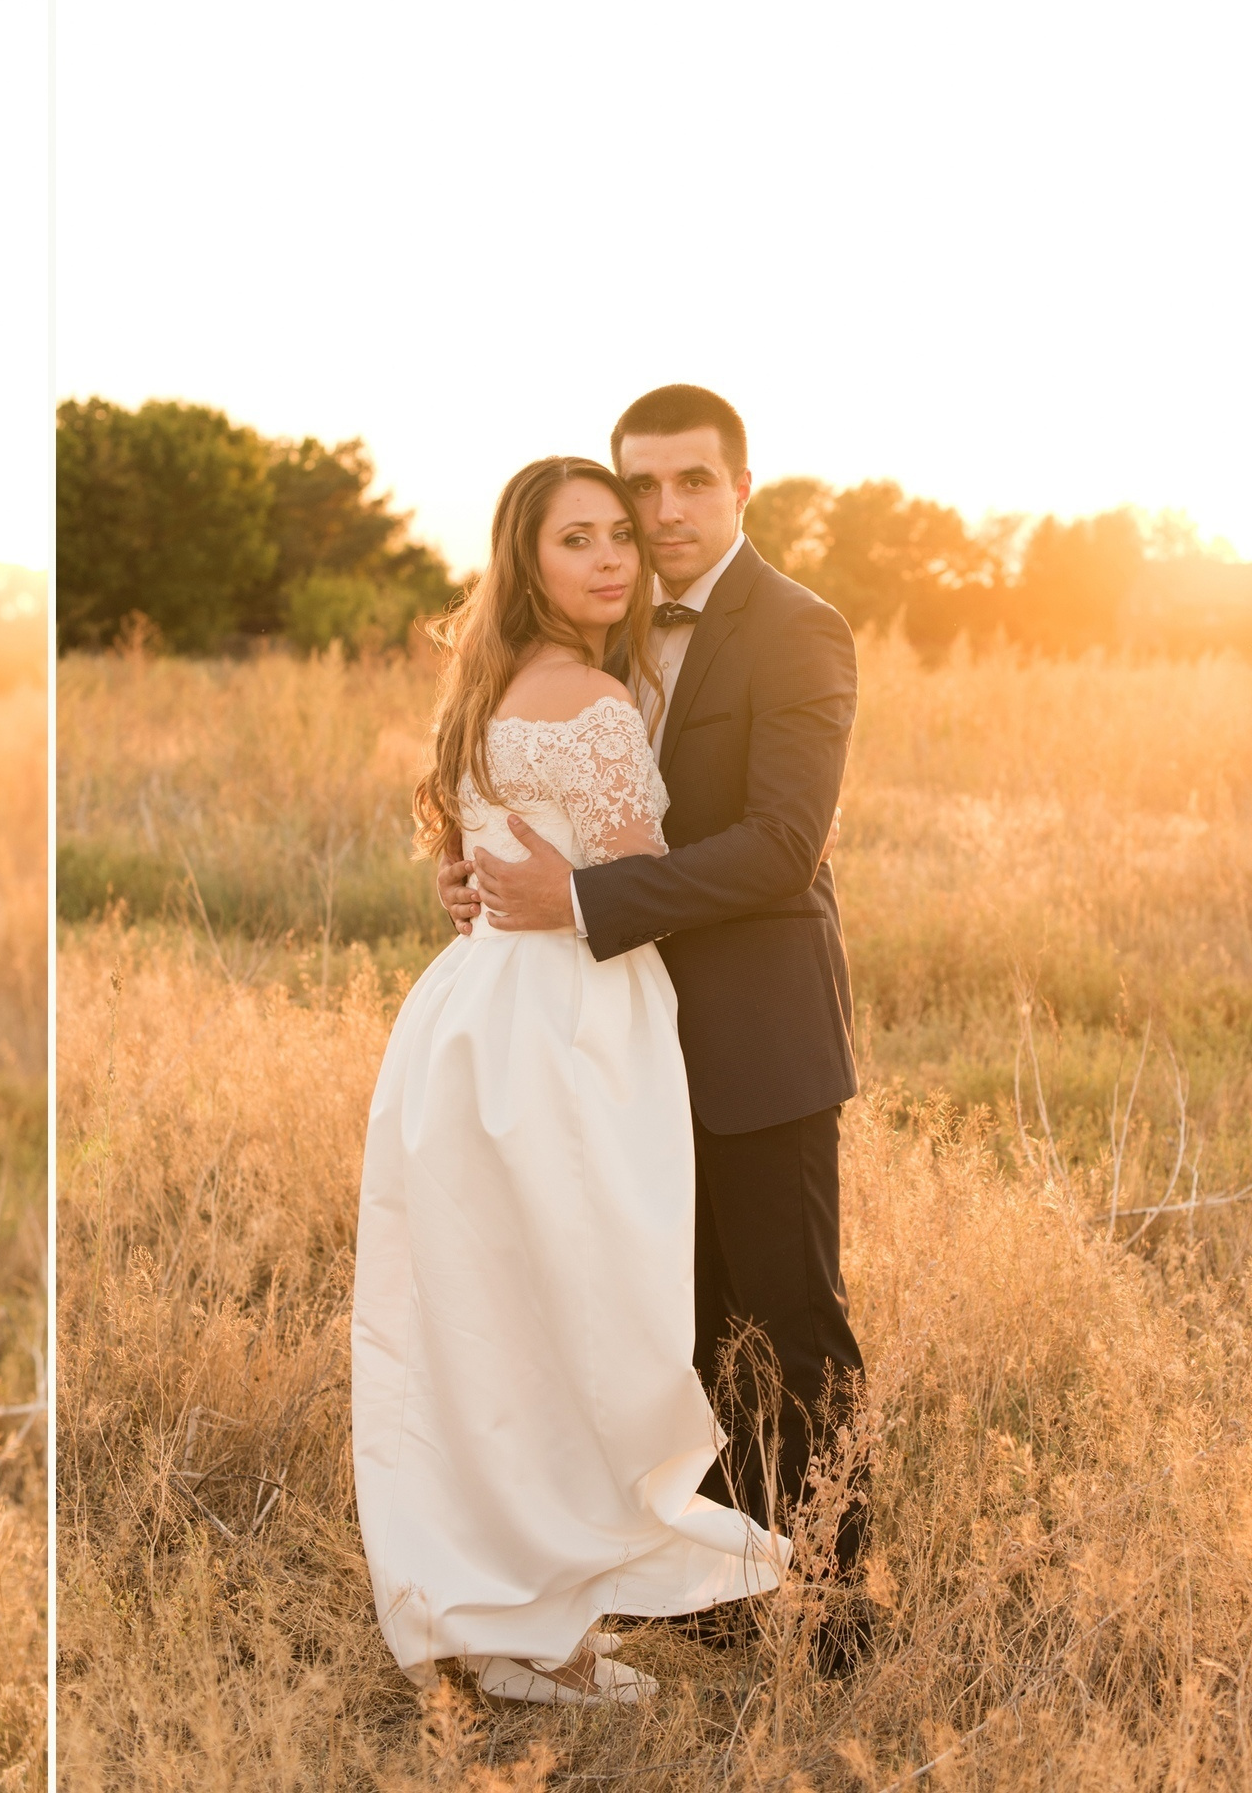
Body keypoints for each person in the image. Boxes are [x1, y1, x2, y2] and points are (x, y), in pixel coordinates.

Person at [442, 385, 870, 1674]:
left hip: (754, 1034)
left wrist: (577, 901)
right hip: (619, 1044)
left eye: (692, 482)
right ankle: (720, 1588)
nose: (664, 510)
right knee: (677, 1327)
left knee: (792, 1320)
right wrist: (482, 875)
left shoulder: (798, 628)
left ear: (740, 487)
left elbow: (783, 845)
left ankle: (838, 1608)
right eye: (643, 487)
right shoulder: (604, 633)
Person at [353, 455, 785, 1710]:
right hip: (568, 1027)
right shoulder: (593, 700)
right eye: (575, 540)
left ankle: (510, 1612)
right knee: (587, 1318)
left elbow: (486, 857)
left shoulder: (482, 691)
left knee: (494, 1321)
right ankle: (542, 1621)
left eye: (618, 537)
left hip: (471, 1017)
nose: (608, 559)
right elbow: (644, 881)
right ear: (525, 560)